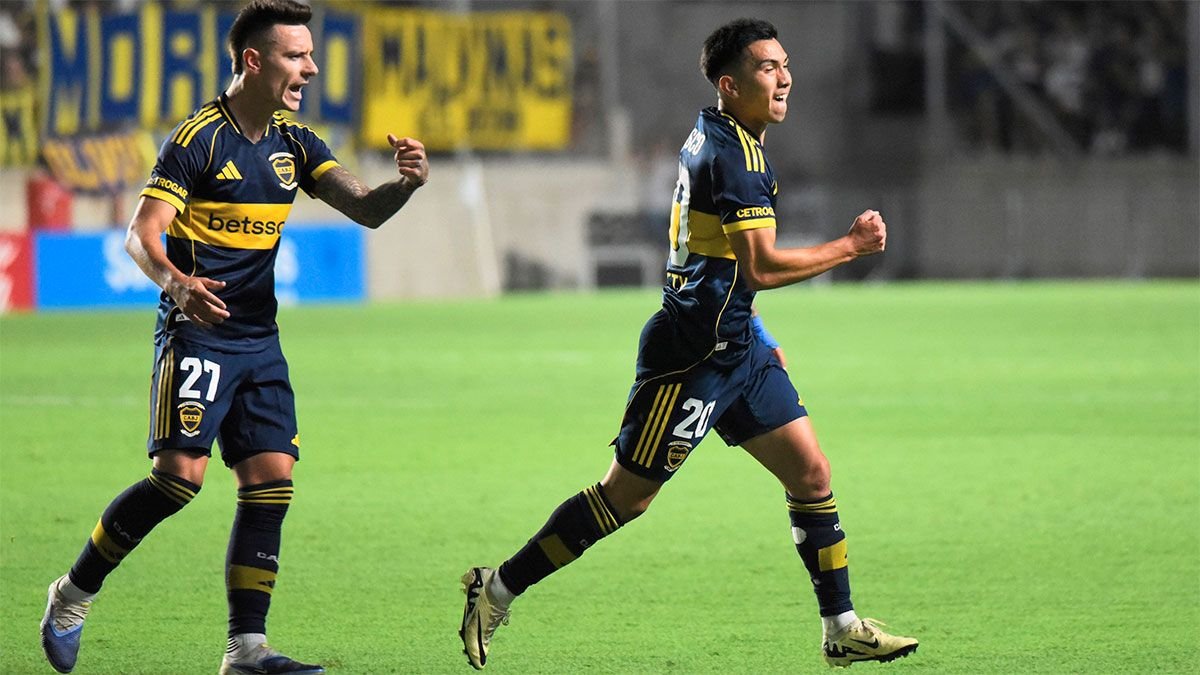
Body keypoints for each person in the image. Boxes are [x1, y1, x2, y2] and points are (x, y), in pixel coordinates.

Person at [459, 18, 917, 669]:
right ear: (730, 84)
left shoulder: (715, 132)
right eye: (767, 68)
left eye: (785, 65)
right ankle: (495, 588)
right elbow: (760, 266)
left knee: (811, 472)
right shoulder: (736, 158)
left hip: (737, 345)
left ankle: (840, 627)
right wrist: (851, 246)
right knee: (625, 498)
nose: (784, 78)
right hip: (691, 358)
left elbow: (714, 260)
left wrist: (759, 333)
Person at [39, 1, 429, 673]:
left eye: (310, 54)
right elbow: (141, 233)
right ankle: (72, 593)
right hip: (197, 334)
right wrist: (177, 284)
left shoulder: (295, 143)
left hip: (259, 339)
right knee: (177, 480)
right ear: (254, 60)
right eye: (296, 55)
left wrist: (406, 185)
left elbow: (365, 208)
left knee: (272, 478)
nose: (311, 67)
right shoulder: (198, 140)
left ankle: (246, 649)